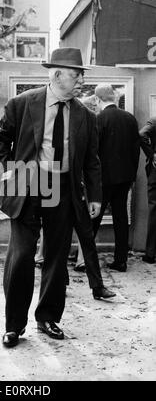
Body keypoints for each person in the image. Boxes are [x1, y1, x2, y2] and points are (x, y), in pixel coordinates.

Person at [0, 47, 116, 349]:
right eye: (76, 75)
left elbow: (91, 159)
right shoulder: (22, 104)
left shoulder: (86, 115)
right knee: (21, 257)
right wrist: (10, 173)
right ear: (57, 75)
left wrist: (95, 195)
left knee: (57, 259)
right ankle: (14, 325)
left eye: (82, 75)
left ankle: (47, 317)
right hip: (28, 186)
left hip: (64, 189)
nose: (80, 82)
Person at [91, 84, 140, 272]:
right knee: (121, 217)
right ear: (114, 97)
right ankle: (121, 260)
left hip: (104, 179)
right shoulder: (130, 118)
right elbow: (135, 150)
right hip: (125, 177)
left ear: (97, 99)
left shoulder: (99, 119)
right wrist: (132, 175)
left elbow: (93, 152)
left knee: (94, 217)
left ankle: (87, 258)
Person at [139, 118, 156, 264]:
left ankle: (151, 253)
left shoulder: (154, 121)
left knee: (154, 209)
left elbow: (141, 134)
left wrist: (152, 154)